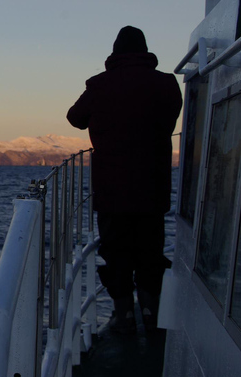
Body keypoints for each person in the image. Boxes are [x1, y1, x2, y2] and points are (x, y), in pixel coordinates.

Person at [67, 26, 182, 333]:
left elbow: (75, 117)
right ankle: (149, 309)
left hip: (112, 189)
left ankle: (123, 314)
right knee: (150, 251)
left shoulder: (100, 85)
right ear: (145, 51)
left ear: (115, 53)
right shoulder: (166, 84)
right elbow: (171, 115)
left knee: (116, 252)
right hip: (152, 186)